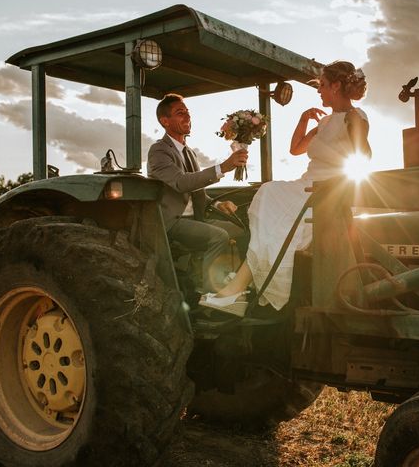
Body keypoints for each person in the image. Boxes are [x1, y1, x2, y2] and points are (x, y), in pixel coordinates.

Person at [200, 61, 371, 316]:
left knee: (270, 199)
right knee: (268, 202)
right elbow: (297, 148)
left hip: (324, 190)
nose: (319, 91)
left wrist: (341, 178)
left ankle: (236, 291)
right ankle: (237, 291)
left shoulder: (354, 118)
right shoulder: (325, 123)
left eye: (322, 85)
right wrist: (303, 119)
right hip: (307, 184)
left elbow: (364, 155)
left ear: (336, 86)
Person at [148, 93, 248, 292]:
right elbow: (181, 183)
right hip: (171, 223)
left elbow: (196, 191)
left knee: (242, 231)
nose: (187, 117)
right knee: (219, 236)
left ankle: (234, 281)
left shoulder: (189, 152)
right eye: (180, 113)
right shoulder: (159, 151)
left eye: (187, 112)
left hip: (195, 219)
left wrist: (218, 204)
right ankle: (212, 296)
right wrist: (224, 167)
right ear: (164, 121)